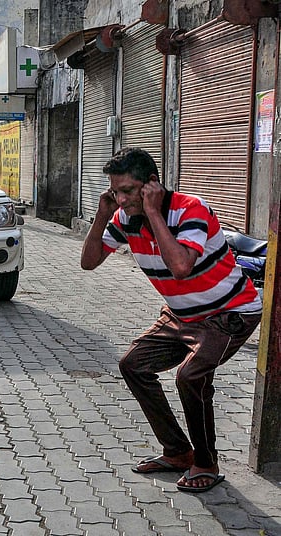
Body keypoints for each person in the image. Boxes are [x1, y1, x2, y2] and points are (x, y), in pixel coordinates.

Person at [80, 147, 262, 494]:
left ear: (152, 184)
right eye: (115, 192)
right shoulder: (123, 218)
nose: (121, 199)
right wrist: (103, 215)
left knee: (190, 377)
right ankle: (178, 452)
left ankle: (206, 462)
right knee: (133, 364)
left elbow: (181, 267)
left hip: (230, 313)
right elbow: (88, 262)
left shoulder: (191, 210)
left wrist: (152, 212)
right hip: (182, 316)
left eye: (128, 191)